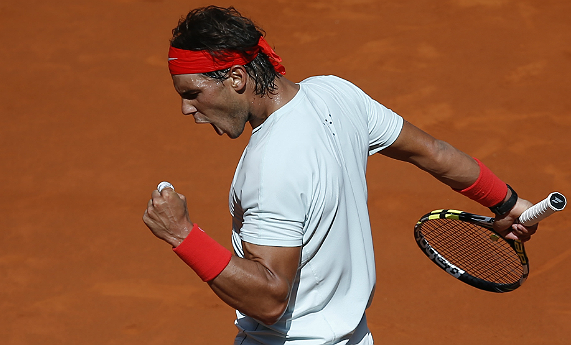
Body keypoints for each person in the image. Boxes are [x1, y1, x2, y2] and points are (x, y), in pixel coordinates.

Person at [142, 5, 537, 345]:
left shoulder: (270, 166)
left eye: (192, 93)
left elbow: (268, 298)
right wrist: (507, 202)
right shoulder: (335, 93)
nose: (186, 109)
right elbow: (433, 151)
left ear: (236, 78)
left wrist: (182, 235)